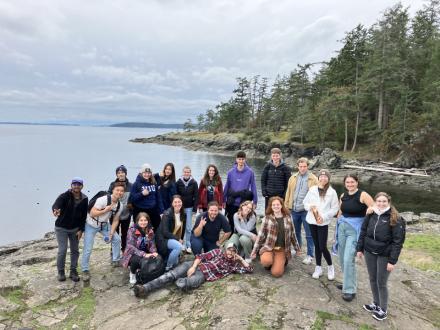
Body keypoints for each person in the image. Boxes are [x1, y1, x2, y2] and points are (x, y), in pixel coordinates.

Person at [133, 242, 253, 298]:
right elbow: (201, 256)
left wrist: (241, 259)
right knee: (170, 275)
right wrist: (193, 267)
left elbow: (249, 269)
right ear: (225, 249)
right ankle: (145, 288)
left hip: (203, 275)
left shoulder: (232, 266)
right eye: (229, 249)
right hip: (194, 265)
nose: (230, 252)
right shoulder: (217, 252)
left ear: (235, 252)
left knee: (185, 283)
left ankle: (180, 281)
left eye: (233, 251)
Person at [356, 192, 406, 321]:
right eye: (379, 201)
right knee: (372, 279)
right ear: (375, 202)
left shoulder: (396, 218)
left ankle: (383, 309)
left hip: (384, 255)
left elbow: (398, 242)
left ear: (388, 202)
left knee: (381, 282)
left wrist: (392, 261)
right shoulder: (371, 214)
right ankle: (375, 303)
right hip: (369, 251)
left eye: (384, 201)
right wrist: (360, 248)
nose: (381, 203)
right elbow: (363, 231)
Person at [334, 174, 374, 301]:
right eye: (347, 182)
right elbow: (340, 211)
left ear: (357, 182)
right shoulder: (343, 196)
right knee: (341, 257)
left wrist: (370, 212)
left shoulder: (363, 195)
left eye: (352, 182)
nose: (350, 184)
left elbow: (374, 207)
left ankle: (350, 290)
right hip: (342, 228)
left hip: (355, 230)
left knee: (348, 259)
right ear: (345, 184)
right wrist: (337, 223)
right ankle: (348, 282)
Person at [81, 182, 125, 281]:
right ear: (113, 190)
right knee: (88, 248)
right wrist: (105, 210)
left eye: (121, 191)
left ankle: (116, 260)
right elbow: (92, 213)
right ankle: (85, 270)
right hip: (91, 224)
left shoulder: (119, 205)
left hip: (104, 225)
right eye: (117, 190)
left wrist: (111, 233)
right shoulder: (103, 200)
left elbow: (115, 220)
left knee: (116, 239)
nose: (119, 192)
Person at [251, 196, 300, 278]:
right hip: (268, 247)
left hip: (281, 249)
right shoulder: (267, 218)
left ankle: (283, 260)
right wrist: (254, 251)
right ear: (271, 206)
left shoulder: (288, 217)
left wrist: (297, 248)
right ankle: (271, 261)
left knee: (276, 273)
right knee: (266, 262)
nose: (276, 206)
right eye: (273, 205)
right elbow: (260, 236)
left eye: (278, 204)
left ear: (281, 206)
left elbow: (293, 234)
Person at [303, 169, 339, 280]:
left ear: (328, 179)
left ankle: (330, 267)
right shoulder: (312, 189)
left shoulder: (332, 192)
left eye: (325, 177)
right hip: (312, 221)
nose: (323, 178)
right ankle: (318, 267)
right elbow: (305, 203)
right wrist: (310, 207)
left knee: (322, 246)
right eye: (321, 176)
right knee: (317, 245)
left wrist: (324, 217)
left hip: (323, 222)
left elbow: (335, 208)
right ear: (318, 178)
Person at [52, 177, 88, 282]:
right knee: (62, 250)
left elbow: (83, 216)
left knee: (75, 250)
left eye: (79, 184)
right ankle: (61, 272)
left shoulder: (84, 199)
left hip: (75, 229)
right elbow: (56, 205)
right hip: (61, 228)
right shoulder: (64, 196)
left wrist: (81, 229)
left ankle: (73, 271)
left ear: (82, 186)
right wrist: (55, 210)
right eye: (74, 184)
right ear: (71, 185)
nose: (76, 186)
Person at [284, 157, 318, 265]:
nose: (302, 168)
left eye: (304, 166)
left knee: (309, 234)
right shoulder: (293, 177)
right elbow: (288, 192)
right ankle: (297, 249)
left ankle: (310, 255)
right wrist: (286, 206)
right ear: (297, 166)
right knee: (295, 232)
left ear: (307, 166)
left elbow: (317, 195)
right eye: (300, 166)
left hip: (306, 211)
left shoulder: (313, 179)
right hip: (294, 209)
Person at [223, 151, 258, 233]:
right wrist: (223, 200)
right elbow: (227, 186)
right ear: (236, 160)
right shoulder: (230, 172)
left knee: (242, 221)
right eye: (239, 159)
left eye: (242, 159)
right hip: (232, 201)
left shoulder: (250, 172)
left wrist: (255, 201)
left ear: (245, 160)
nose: (241, 161)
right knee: (231, 220)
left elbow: (253, 186)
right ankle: (232, 238)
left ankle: (241, 237)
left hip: (243, 202)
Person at [121, 212, 158, 285]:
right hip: (132, 253)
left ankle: (142, 270)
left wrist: (153, 252)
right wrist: (144, 254)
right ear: (137, 221)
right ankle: (132, 273)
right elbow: (130, 247)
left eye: (145, 220)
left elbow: (152, 243)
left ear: (148, 221)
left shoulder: (150, 230)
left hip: (145, 252)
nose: (143, 222)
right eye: (141, 220)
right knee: (136, 260)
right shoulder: (132, 230)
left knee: (155, 257)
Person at [130, 164, 164, 232]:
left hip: (153, 210)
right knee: (140, 231)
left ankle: (154, 242)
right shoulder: (136, 184)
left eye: (149, 173)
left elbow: (158, 197)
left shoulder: (153, 183)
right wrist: (141, 194)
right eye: (145, 173)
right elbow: (132, 199)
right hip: (140, 211)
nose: (147, 175)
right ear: (141, 173)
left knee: (157, 229)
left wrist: (161, 211)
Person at [155, 195, 186, 271]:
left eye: (179, 202)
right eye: (175, 202)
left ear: (182, 202)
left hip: (172, 238)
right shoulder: (167, 214)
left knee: (176, 262)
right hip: (163, 239)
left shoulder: (183, 214)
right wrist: (178, 239)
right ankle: (168, 267)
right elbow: (165, 232)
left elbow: (183, 230)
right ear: (172, 203)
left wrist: (181, 239)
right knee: (178, 247)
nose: (177, 204)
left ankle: (170, 262)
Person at [108, 165, 133, 253]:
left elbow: (133, 198)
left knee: (125, 233)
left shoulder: (131, 185)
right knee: (114, 232)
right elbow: (108, 197)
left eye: (122, 172)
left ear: (125, 174)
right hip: (114, 213)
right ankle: (113, 250)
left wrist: (131, 206)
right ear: (116, 175)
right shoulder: (112, 185)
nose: (121, 174)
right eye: (118, 173)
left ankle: (124, 249)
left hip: (126, 213)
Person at [176, 166, 198, 254]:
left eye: (188, 172)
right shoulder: (178, 182)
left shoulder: (194, 182)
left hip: (189, 208)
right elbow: (176, 195)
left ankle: (188, 244)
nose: (186, 173)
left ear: (190, 173)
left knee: (188, 227)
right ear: (183, 172)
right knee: (180, 226)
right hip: (180, 208)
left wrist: (195, 209)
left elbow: (196, 196)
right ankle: (181, 243)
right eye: (185, 172)